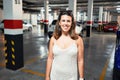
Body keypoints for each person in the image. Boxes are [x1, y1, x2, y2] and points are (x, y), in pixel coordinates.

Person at [45, 10, 84, 80]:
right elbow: (50, 58)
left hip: (71, 77)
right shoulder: (53, 39)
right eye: (63, 20)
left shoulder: (78, 39)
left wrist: (81, 78)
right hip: (55, 76)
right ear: (59, 23)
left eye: (68, 21)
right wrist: (47, 77)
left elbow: (80, 60)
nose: (65, 23)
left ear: (72, 23)